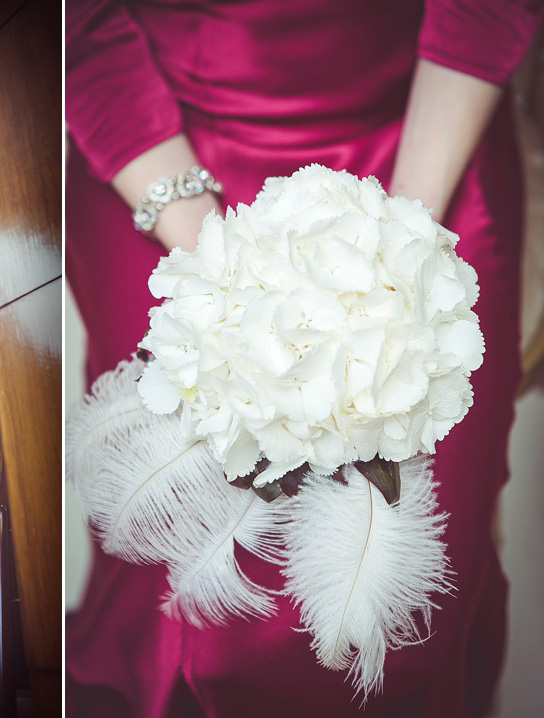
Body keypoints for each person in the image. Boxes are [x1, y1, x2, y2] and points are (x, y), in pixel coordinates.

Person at [65, 1, 543, 716]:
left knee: (420, 586)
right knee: (176, 552)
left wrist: (396, 244)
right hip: (158, 150)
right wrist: (223, 272)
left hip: (433, 120)